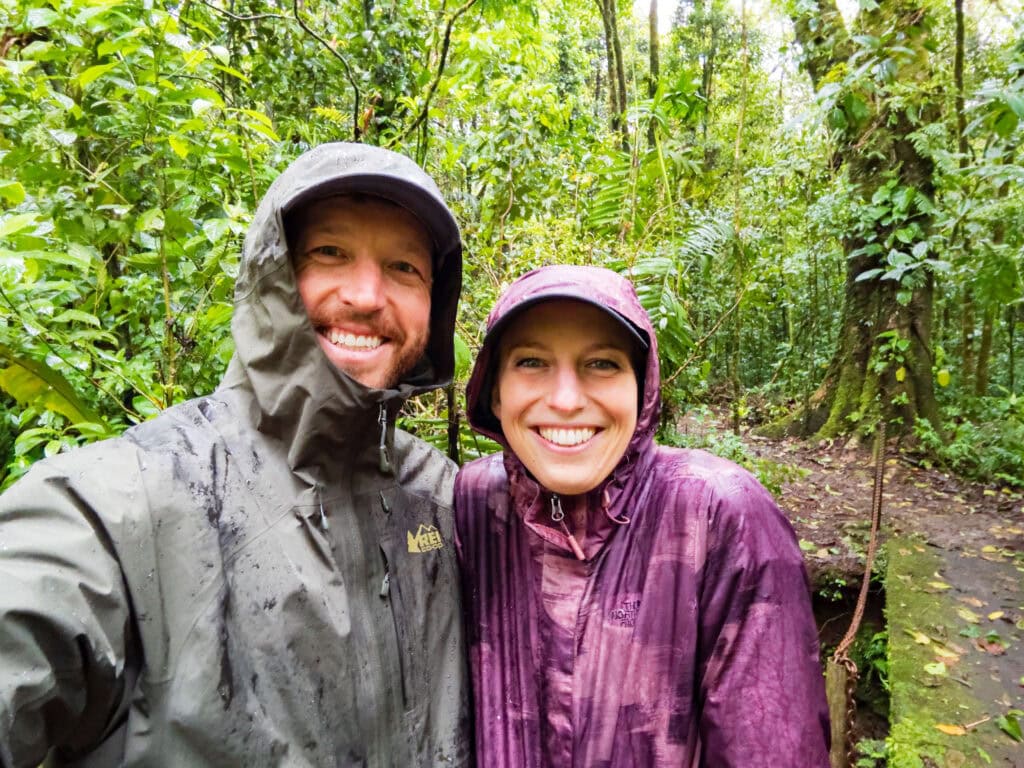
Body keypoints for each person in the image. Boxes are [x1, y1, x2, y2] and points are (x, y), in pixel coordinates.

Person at [0, 143, 471, 767]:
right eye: (328, 252)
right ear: (271, 273)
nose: (365, 294)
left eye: (404, 267)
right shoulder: (135, 497)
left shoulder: (447, 501)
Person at [454, 264, 830, 766]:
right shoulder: (474, 503)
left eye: (603, 364)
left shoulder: (718, 515)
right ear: (495, 393)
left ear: (642, 387)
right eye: (531, 362)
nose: (566, 400)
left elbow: (773, 745)